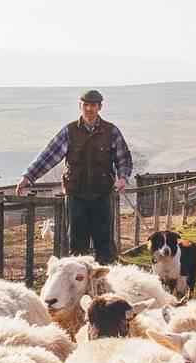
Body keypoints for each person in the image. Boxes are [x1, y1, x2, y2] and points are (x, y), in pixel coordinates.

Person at [17, 89, 133, 263]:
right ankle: (78, 287)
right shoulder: (69, 131)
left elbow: (124, 159)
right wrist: (28, 176)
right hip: (75, 196)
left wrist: (122, 178)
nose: (89, 109)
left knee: (105, 245)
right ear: (80, 106)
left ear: (99, 107)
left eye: (93, 105)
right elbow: (49, 155)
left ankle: (105, 285)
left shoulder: (111, 131)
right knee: (77, 247)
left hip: (102, 195)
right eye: (85, 105)